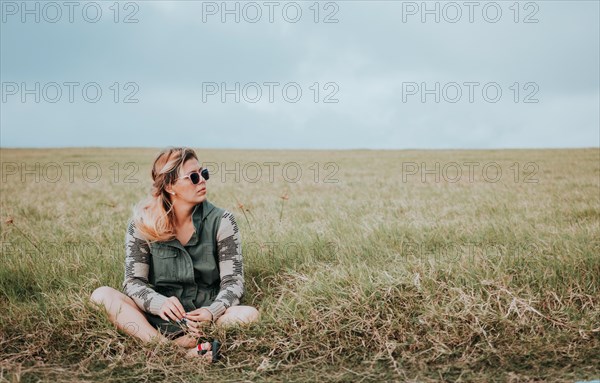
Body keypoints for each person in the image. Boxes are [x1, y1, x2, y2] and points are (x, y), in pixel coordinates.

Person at [91, 147, 259, 359]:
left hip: (205, 317)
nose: (202, 181)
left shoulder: (223, 221)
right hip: (158, 317)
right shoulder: (143, 224)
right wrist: (158, 303)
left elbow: (233, 282)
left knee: (248, 314)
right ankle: (169, 348)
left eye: (203, 173)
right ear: (170, 186)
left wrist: (211, 312)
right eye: (193, 177)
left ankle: (189, 342)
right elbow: (134, 282)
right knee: (102, 296)